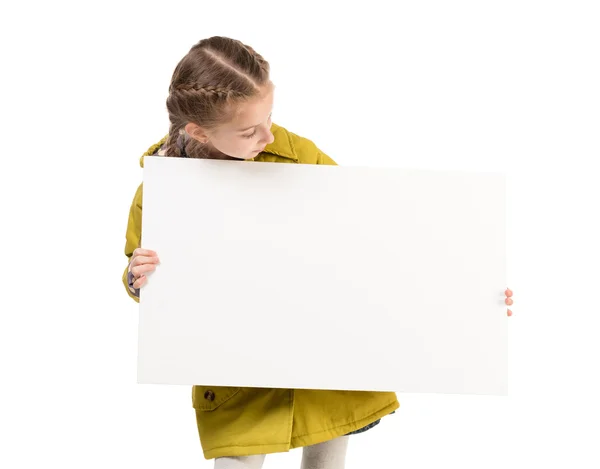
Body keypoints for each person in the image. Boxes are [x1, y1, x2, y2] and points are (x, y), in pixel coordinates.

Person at [122, 36, 515, 469]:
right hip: (236, 362)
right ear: (198, 131)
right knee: (238, 459)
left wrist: (476, 290)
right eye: (249, 130)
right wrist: (139, 279)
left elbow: (377, 236)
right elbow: (143, 279)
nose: (267, 134)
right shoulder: (163, 192)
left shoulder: (297, 156)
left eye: (269, 117)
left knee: (326, 459)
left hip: (327, 353)